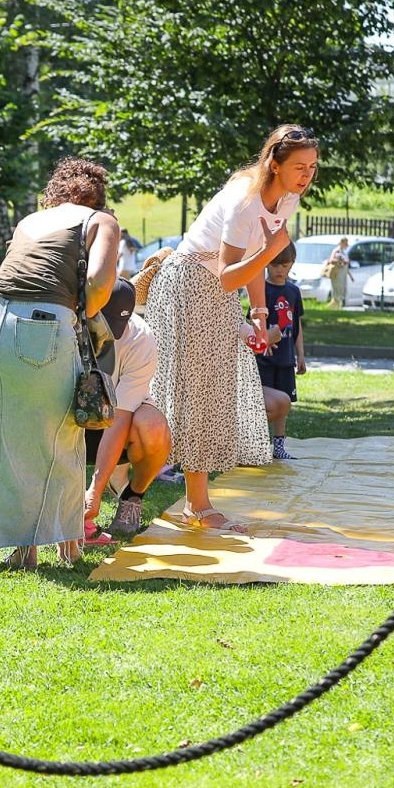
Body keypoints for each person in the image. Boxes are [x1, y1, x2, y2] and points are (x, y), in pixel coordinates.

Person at [146, 124, 317, 532]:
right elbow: (229, 274)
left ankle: (192, 501)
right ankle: (191, 503)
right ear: (273, 164)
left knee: (215, 392)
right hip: (189, 284)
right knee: (196, 394)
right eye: (299, 166)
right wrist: (272, 251)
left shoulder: (287, 198)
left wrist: (259, 312)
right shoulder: (244, 201)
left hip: (215, 291)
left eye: (312, 166)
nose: (307, 175)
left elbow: (253, 261)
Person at [0, 158, 120, 569]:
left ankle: (19, 546)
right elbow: (101, 284)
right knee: (60, 435)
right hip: (42, 326)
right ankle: (64, 542)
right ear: (99, 197)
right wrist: (89, 315)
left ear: (54, 193)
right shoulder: (101, 221)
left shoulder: (31, 220)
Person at [84, 278, 172, 538]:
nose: (113, 333)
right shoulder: (66, 324)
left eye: (119, 324)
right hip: (71, 421)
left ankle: (131, 497)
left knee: (153, 426)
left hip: (113, 424)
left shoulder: (140, 337)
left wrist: (95, 490)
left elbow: (121, 417)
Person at [255, 242, 305, 460]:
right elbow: (254, 319)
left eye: (284, 265)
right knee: (264, 403)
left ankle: (279, 446)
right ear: (267, 264)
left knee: (284, 403)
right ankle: (256, 443)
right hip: (265, 359)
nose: (279, 270)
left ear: (292, 264)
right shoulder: (260, 290)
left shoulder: (294, 291)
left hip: (286, 359)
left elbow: (297, 326)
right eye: (274, 265)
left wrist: (300, 355)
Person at [323, 238, 351, 307]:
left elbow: (346, 265)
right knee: (337, 292)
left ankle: (337, 307)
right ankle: (332, 307)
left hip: (342, 274)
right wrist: (341, 261)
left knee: (341, 291)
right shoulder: (337, 251)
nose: (346, 245)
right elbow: (331, 260)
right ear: (341, 243)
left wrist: (350, 275)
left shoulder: (343, 252)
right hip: (337, 274)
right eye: (345, 243)